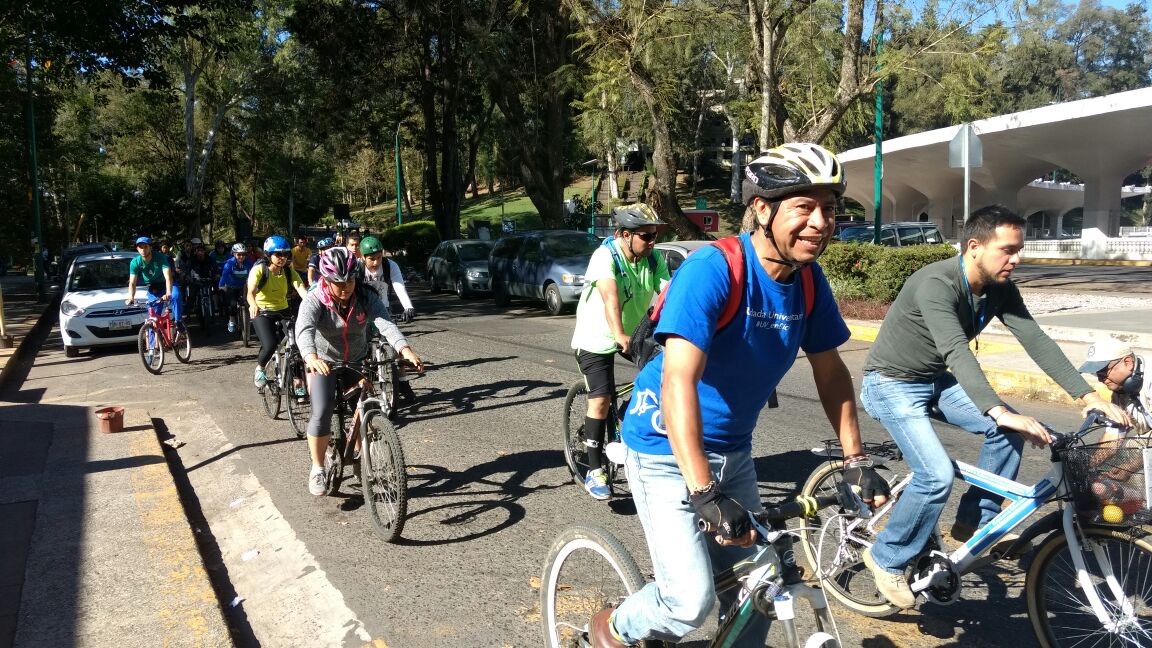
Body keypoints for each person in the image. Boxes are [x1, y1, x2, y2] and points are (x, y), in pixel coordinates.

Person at [590, 144, 889, 647]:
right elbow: (677, 381)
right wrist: (703, 492)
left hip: (733, 450)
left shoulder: (808, 282)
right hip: (664, 450)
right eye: (805, 207)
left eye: (829, 208)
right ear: (762, 209)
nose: (821, 222)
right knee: (689, 602)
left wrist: (855, 460)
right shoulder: (714, 268)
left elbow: (831, 371)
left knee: (762, 586)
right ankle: (613, 627)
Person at [857, 205, 1131, 610]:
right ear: (974, 247)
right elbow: (956, 351)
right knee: (935, 475)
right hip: (891, 383)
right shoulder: (936, 284)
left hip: (934, 381)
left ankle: (976, 520)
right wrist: (999, 410)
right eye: (1008, 250)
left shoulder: (1000, 288)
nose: (1016, 259)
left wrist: (1087, 396)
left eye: (1019, 249)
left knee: (1009, 431)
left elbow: (1036, 341)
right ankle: (887, 556)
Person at [296, 247, 424, 495]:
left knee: (362, 406)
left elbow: (385, 324)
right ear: (326, 280)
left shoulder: (366, 296)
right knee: (322, 410)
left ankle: (361, 458)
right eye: (338, 283)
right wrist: (311, 357)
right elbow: (304, 330)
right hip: (323, 361)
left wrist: (404, 350)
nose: (345, 288)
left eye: (350, 281)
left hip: (356, 358)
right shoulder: (315, 299)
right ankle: (318, 468)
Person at [569, 203, 670, 500]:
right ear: (626, 235)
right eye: (646, 236)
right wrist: (618, 334)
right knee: (600, 399)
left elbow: (671, 294)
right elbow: (610, 298)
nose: (652, 242)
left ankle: (629, 411)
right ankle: (594, 470)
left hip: (634, 333)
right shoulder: (605, 256)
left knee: (669, 372)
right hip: (596, 336)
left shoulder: (653, 259)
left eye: (654, 236)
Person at [358, 235, 419, 401]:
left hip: (382, 309)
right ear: (362, 257)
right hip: (361, 309)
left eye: (379, 257)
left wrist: (408, 306)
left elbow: (399, 286)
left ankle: (404, 383)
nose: (376, 262)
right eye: (371, 259)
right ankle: (362, 386)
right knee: (360, 349)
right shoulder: (357, 267)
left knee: (394, 346)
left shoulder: (390, 265)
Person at [249, 236, 309, 388]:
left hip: (283, 311)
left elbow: (301, 289)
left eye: (285, 254)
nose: (283, 258)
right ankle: (260, 368)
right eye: (278, 254)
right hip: (262, 312)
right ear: (268, 255)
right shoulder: (259, 270)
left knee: (296, 344)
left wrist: (312, 304)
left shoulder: (288, 271)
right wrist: (253, 304)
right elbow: (251, 292)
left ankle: (297, 381)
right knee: (270, 345)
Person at [125, 236, 180, 330]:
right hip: (154, 288)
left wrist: (168, 293)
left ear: (150, 247)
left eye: (145, 247)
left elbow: (168, 277)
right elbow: (132, 283)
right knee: (153, 321)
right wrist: (131, 297)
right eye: (140, 247)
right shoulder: (135, 262)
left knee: (176, 296)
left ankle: (178, 322)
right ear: (137, 249)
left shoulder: (160, 257)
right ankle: (153, 339)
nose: (143, 250)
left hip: (167, 284)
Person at [219, 243, 255, 333]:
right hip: (232, 286)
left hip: (245, 286)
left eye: (243, 254)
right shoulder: (229, 263)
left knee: (250, 301)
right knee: (232, 304)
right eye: (239, 254)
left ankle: (252, 318)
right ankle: (231, 320)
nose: (241, 257)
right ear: (234, 254)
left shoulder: (249, 262)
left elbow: (255, 273)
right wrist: (221, 286)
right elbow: (224, 275)